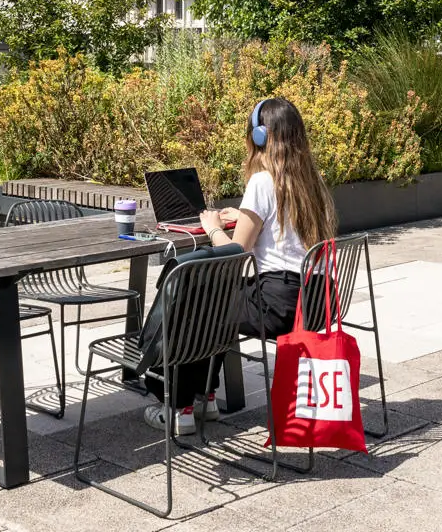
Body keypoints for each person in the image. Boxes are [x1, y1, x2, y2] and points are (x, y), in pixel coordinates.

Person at [144, 96, 338, 435]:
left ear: (261, 137)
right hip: (320, 301)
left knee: (197, 301)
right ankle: (204, 397)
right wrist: (247, 215)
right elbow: (283, 223)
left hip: (280, 306)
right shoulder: (312, 179)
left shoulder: (263, 181)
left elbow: (236, 253)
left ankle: (180, 408)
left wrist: (213, 227)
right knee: (216, 297)